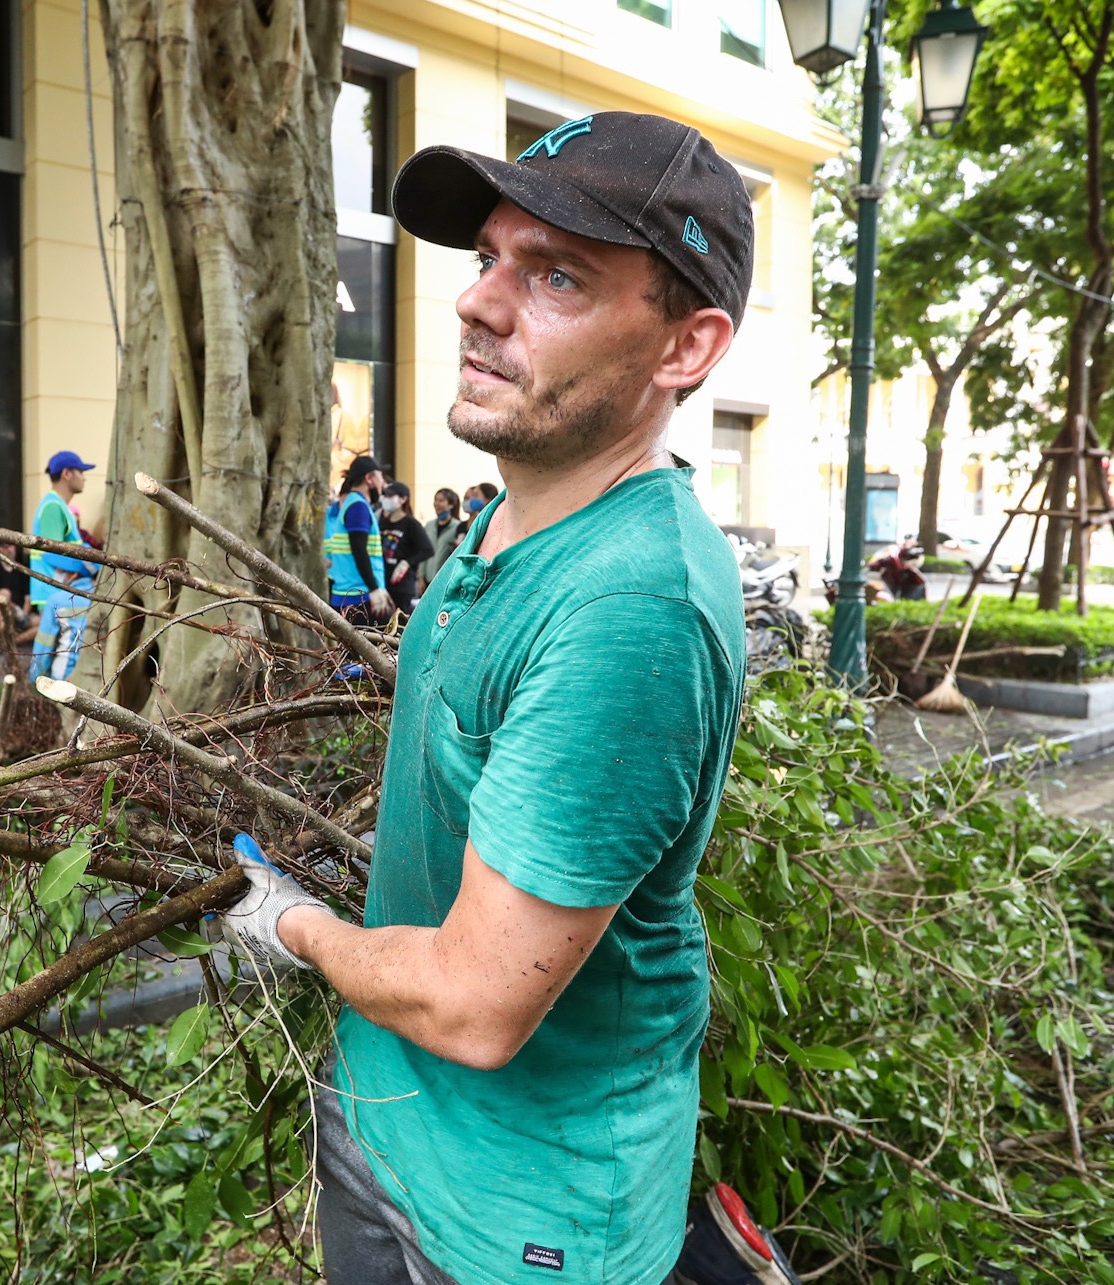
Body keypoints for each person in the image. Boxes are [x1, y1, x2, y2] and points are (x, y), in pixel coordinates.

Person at [221, 111, 750, 1284]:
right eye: (487, 261)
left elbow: (473, 1006)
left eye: (556, 274)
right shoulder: (507, 511)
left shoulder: (629, 606)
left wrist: (293, 926)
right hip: (387, 1114)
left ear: (683, 347)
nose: (478, 303)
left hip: (511, 1220)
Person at [29, 451, 95, 680]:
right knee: (66, 648)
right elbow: (53, 553)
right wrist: (89, 566)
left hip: (59, 590)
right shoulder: (53, 507)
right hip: (55, 591)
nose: (84, 477)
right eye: (81, 472)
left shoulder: (58, 506)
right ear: (67, 474)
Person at [323, 454, 391, 624]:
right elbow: (359, 551)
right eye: (380, 475)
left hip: (352, 594)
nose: (382, 482)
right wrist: (374, 588)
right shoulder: (358, 507)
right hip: (358, 597)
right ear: (369, 478)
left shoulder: (354, 504)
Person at [377, 482, 434, 614]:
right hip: (383, 583)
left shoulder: (411, 524)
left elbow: (427, 550)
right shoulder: (382, 522)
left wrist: (407, 562)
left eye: (390, 496)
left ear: (403, 499)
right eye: (385, 495)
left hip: (402, 586)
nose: (386, 499)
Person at [423, 487, 465, 584]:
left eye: (441, 500)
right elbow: (424, 551)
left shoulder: (457, 527)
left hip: (444, 580)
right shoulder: (429, 525)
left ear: (451, 505)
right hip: (427, 578)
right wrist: (421, 576)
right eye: (435, 500)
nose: (437, 504)